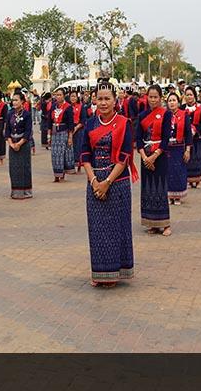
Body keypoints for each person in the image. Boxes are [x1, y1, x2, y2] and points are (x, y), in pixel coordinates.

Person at [80, 80, 136, 287]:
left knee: (116, 227)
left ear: (115, 101)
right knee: (97, 228)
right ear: (94, 100)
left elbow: (124, 157)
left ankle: (115, 272)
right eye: (100, 99)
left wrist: (107, 182)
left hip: (117, 182)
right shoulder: (90, 123)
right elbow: (85, 154)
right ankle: (100, 272)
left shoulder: (124, 123)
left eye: (107, 99)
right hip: (93, 181)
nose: (103, 103)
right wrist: (94, 181)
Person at [136, 84, 172, 236]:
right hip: (145, 157)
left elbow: (165, 138)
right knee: (148, 190)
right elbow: (138, 139)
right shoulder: (142, 115)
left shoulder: (166, 114)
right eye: (150, 97)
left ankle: (165, 224)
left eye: (155, 97)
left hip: (160, 156)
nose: (152, 100)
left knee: (160, 189)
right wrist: (145, 157)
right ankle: (152, 223)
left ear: (160, 98)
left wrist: (154, 156)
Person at [4, 90, 33, 199]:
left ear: (22, 101)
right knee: (14, 168)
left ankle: (26, 191)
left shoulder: (27, 114)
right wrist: (11, 143)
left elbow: (28, 132)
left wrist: (19, 143)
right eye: (13, 100)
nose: (14, 102)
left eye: (16, 100)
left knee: (24, 167)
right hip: (12, 144)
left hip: (23, 145)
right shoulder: (10, 113)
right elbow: (7, 130)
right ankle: (15, 191)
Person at [165, 92, 192, 205]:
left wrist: (188, 150)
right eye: (170, 100)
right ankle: (169, 195)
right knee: (168, 172)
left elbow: (188, 134)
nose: (172, 103)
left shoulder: (184, 115)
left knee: (178, 172)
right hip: (167, 149)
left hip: (179, 149)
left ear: (178, 102)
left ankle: (178, 196)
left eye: (174, 100)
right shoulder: (164, 115)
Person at [50, 88, 75, 182]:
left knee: (62, 154)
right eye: (56, 95)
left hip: (63, 133)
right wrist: (49, 134)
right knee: (54, 154)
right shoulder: (53, 106)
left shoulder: (68, 107)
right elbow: (49, 121)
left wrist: (70, 136)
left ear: (64, 96)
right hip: (55, 133)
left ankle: (62, 174)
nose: (58, 97)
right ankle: (56, 175)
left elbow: (70, 123)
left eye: (60, 95)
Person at [182, 86, 201, 188]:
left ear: (194, 96)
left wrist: (194, 130)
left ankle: (198, 180)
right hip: (185, 139)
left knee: (197, 158)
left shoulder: (200, 107)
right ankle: (188, 180)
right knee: (187, 159)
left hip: (197, 138)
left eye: (191, 94)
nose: (189, 97)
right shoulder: (182, 108)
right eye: (187, 95)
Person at [70, 90, 86, 173]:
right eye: (71, 96)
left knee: (78, 148)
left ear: (77, 97)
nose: (73, 98)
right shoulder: (68, 107)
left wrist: (76, 128)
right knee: (70, 149)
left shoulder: (81, 106)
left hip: (79, 129)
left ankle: (79, 165)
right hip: (70, 129)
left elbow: (83, 120)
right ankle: (71, 166)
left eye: (74, 96)